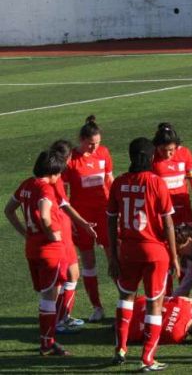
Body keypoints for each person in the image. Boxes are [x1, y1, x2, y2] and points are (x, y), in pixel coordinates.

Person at [107, 137, 180, 372]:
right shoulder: (156, 183)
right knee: (154, 304)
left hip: (127, 250)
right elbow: (168, 224)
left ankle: (120, 348)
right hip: (155, 251)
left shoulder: (118, 183)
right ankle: (147, 358)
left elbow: (111, 220)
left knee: (125, 298)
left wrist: (113, 255)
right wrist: (175, 257)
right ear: (151, 158)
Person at [4, 151, 71, 356]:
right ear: (52, 172)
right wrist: (52, 234)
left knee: (45, 297)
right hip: (49, 250)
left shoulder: (26, 184)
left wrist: (25, 232)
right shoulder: (45, 189)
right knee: (50, 297)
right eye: (58, 173)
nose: (59, 177)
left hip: (32, 248)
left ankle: (46, 341)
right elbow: (44, 214)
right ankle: (48, 344)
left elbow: (8, 210)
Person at [61, 115, 114, 322]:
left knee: (114, 259)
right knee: (89, 262)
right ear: (81, 140)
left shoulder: (104, 153)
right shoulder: (71, 160)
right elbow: (63, 193)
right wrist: (71, 219)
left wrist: (114, 209)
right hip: (81, 217)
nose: (95, 148)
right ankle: (97, 307)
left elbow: (110, 180)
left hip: (104, 215)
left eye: (98, 143)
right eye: (91, 144)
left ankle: (124, 302)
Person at [49, 140, 98, 333]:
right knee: (70, 275)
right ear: (67, 158)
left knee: (64, 277)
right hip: (62, 232)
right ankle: (61, 320)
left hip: (61, 231)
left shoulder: (41, 180)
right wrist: (83, 223)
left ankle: (59, 318)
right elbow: (65, 205)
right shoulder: (57, 181)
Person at [151, 123, 192, 225]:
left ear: (176, 146)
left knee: (187, 238)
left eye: (171, 150)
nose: (167, 154)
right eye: (163, 150)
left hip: (183, 207)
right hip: (160, 208)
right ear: (156, 147)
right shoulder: (151, 157)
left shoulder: (185, 153)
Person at [128, 295, 192, 345]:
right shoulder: (176, 337)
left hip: (134, 304)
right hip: (130, 330)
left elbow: (163, 297)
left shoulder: (186, 306)